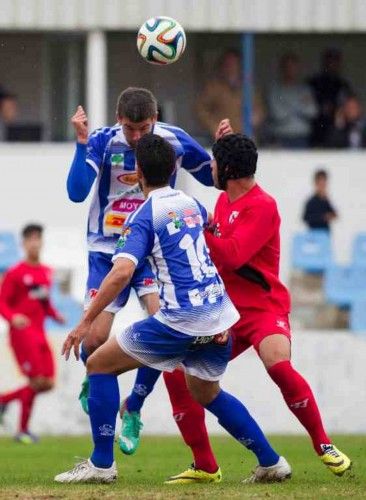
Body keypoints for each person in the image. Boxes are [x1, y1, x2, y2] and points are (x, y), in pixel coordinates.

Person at [55, 134, 291, 484]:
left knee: (99, 364)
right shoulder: (193, 204)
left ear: (136, 173)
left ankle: (101, 464)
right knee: (207, 392)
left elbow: (121, 272)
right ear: (174, 169)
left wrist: (84, 323)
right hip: (219, 318)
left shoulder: (144, 215)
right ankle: (271, 462)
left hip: (181, 321)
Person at [121, 134, 351, 482]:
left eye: (214, 162)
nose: (209, 167)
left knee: (277, 362)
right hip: (224, 310)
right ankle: (205, 465)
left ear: (226, 169)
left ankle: (323, 444)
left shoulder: (264, 205)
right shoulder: (224, 202)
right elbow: (216, 247)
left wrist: (189, 228)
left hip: (262, 308)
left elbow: (231, 254)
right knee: (178, 375)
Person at [68, 87, 231, 414]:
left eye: (144, 129)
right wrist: (82, 142)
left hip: (152, 253)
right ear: (119, 120)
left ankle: (134, 407)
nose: (138, 136)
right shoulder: (103, 141)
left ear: (155, 119)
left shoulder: (175, 140)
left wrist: (222, 150)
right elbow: (76, 192)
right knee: (95, 342)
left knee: (164, 328)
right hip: (107, 251)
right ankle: (95, 375)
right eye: (130, 128)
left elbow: (215, 179)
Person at [0, 224, 64, 443]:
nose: (35, 242)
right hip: (22, 334)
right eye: (31, 238)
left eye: (38, 238)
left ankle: (4, 400)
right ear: (24, 243)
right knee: (36, 380)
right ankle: (22, 431)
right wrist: (12, 317)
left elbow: (45, 303)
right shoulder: (15, 272)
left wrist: (56, 315)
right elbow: (2, 302)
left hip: (40, 332)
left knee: (48, 383)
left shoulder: (46, 272)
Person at [196, 49, 265, 140]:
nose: (230, 67)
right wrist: (214, 128)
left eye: (233, 63)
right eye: (227, 64)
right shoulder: (213, 87)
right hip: (221, 139)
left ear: (240, 66)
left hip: (245, 139)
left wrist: (256, 118)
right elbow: (200, 109)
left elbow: (260, 110)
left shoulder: (248, 87)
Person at [267, 53, 316, 148]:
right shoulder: (275, 90)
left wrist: (288, 106)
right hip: (281, 136)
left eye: (293, 66)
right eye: (287, 66)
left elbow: (312, 111)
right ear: (282, 68)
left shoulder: (305, 90)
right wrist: (300, 107)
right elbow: (278, 115)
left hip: (302, 137)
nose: (290, 70)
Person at [308, 48, 353, 147]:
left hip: (339, 132)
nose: (332, 64)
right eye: (330, 61)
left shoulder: (342, 84)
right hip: (318, 130)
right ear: (324, 63)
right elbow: (309, 105)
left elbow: (350, 107)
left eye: (335, 61)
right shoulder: (314, 83)